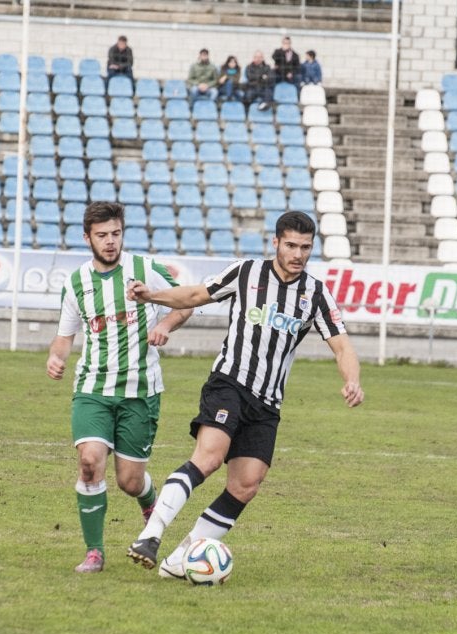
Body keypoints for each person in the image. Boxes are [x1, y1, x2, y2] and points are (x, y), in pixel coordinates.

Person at [126, 211, 365, 579]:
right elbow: (194, 295)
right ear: (275, 242)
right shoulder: (245, 273)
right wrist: (151, 296)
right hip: (229, 384)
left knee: (246, 484)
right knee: (208, 458)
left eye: (305, 247)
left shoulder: (315, 294)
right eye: (290, 245)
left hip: (267, 403)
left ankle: (179, 561)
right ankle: (150, 536)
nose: (298, 254)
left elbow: (342, 346)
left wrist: (352, 380)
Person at [46, 201, 192, 573]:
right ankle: (94, 551)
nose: (110, 242)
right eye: (102, 236)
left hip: (140, 393)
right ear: (87, 238)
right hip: (93, 389)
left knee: (129, 480)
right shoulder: (77, 282)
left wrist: (164, 325)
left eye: (115, 234)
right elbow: (64, 337)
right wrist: (57, 357)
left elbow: (186, 303)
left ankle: (147, 503)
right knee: (90, 462)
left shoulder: (144, 269)